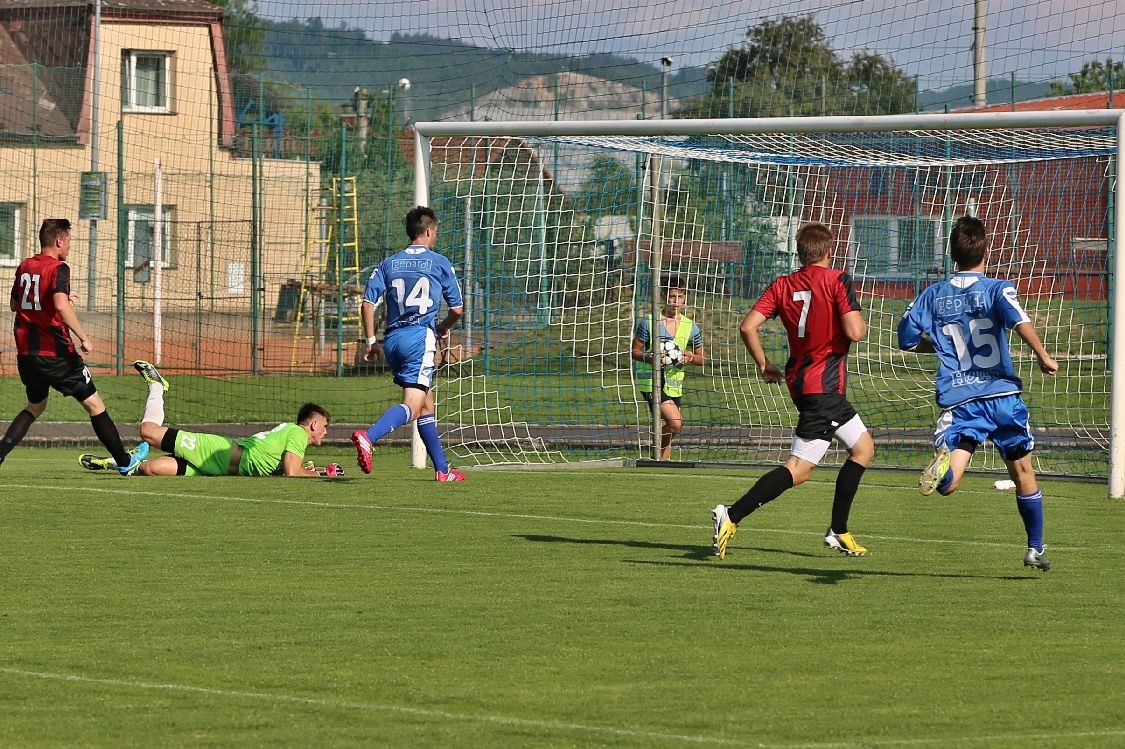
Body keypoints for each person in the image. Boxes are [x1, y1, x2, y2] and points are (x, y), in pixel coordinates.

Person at [897, 215, 1058, 571]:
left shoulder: (933, 294)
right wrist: (1042, 354)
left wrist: (941, 346)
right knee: (1023, 473)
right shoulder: (997, 288)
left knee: (949, 485)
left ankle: (943, 466)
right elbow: (1019, 322)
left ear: (951, 254)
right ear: (986, 250)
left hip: (961, 400)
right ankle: (1034, 548)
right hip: (1001, 397)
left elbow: (906, 339)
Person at [712, 222, 874, 559]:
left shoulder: (783, 284)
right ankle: (732, 514)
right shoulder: (837, 279)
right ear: (830, 251)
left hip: (801, 382)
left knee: (863, 448)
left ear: (800, 253)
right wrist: (854, 320)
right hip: (824, 387)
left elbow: (747, 326)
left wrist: (763, 363)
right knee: (799, 470)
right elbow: (856, 332)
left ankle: (839, 530)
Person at [0, 218, 146, 475]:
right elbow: (59, 305)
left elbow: (15, 304)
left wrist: (60, 296)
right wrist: (83, 337)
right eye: (68, 241)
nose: (69, 246)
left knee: (35, 406)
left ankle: (0, 453)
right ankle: (125, 462)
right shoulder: (59, 268)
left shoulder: (25, 266)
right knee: (95, 405)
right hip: (57, 354)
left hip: (27, 354)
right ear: (59, 241)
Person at [351, 205, 466, 481]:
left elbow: (367, 304)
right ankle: (369, 436)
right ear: (428, 230)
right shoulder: (439, 262)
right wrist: (442, 328)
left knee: (426, 404)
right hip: (419, 338)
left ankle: (442, 471)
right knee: (413, 405)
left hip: (392, 340)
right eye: (435, 231)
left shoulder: (388, 263)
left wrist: (370, 342)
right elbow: (458, 310)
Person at [79, 360, 339, 477]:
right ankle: (157, 386)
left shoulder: (293, 438)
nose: (325, 432)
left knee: (149, 469)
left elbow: (285, 469)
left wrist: (313, 469)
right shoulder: (297, 433)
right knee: (148, 431)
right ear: (313, 424)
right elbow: (292, 473)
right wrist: (321, 475)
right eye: (325, 427)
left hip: (215, 468)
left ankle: (114, 462)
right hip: (214, 451)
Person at [631, 275, 706, 460]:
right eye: (672, 296)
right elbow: (635, 351)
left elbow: (702, 358)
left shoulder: (691, 327)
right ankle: (656, 448)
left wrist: (690, 357)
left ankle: (660, 462)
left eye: (680, 297)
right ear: (663, 296)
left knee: (670, 426)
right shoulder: (650, 322)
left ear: (685, 297)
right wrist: (650, 358)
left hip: (674, 384)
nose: (676, 301)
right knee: (675, 423)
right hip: (652, 383)